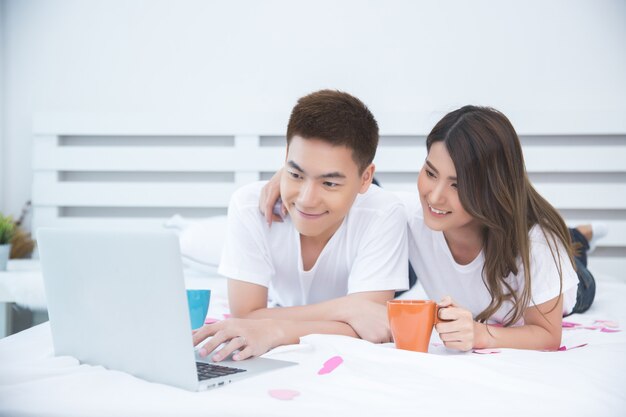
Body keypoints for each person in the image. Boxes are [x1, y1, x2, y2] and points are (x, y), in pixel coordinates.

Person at [261, 105, 604, 352]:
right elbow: (357, 182)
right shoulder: (408, 213)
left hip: (557, 285)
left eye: (458, 184)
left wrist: (481, 334)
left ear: (492, 186)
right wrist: (295, 177)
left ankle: (579, 239)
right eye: (430, 172)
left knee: (576, 265)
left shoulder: (538, 244)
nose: (434, 196)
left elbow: (546, 335)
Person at [192, 90, 409, 362]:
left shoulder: (385, 212)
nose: (307, 200)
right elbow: (245, 316)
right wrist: (349, 308)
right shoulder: (249, 206)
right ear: (284, 157)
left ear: (366, 177)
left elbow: (372, 326)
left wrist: (276, 329)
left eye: (329, 182)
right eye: (295, 174)